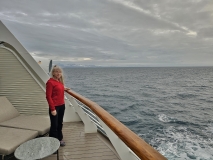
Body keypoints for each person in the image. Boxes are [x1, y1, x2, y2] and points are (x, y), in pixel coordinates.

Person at [46, 65, 70, 147]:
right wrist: (52, 109)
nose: (58, 73)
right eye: (56, 71)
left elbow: (59, 88)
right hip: (55, 107)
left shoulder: (59, 81)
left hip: (62, 105)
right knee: (54, 125)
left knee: (60, 123)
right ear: (53, 73)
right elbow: (48, 96)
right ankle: (53, 144)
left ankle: (59, 139)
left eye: (60, 72)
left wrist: (64, 88)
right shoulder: (50, 82)